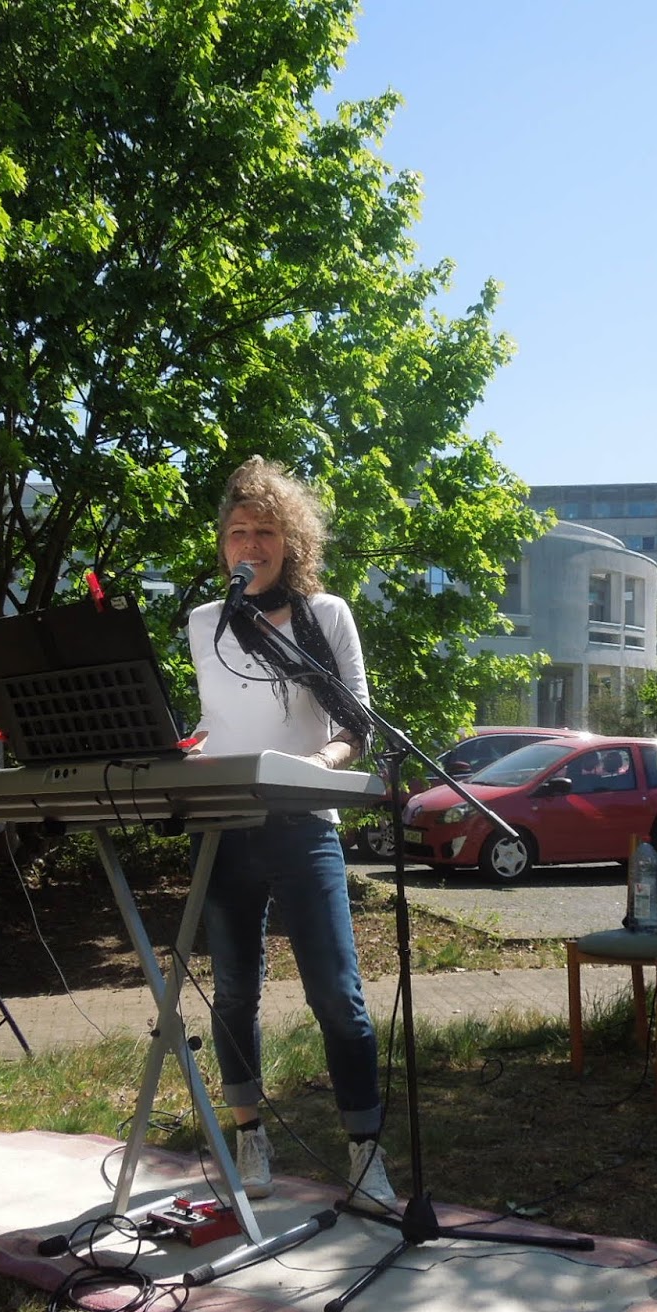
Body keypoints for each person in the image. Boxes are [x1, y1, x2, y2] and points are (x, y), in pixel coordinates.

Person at [186, 456, 395, 1212]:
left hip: (304, 821)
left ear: (291, 541)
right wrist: (185, 749)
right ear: (223, 544)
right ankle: (250, 1135)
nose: (250, 544)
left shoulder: (325, 615)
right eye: (238, 531)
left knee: (337, 994)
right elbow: (216, 720)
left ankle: (366, 1154)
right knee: (234, 990)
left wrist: (319, 763)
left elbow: (356, 723)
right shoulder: (203, 623)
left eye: (266, 531)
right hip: (223, 824)